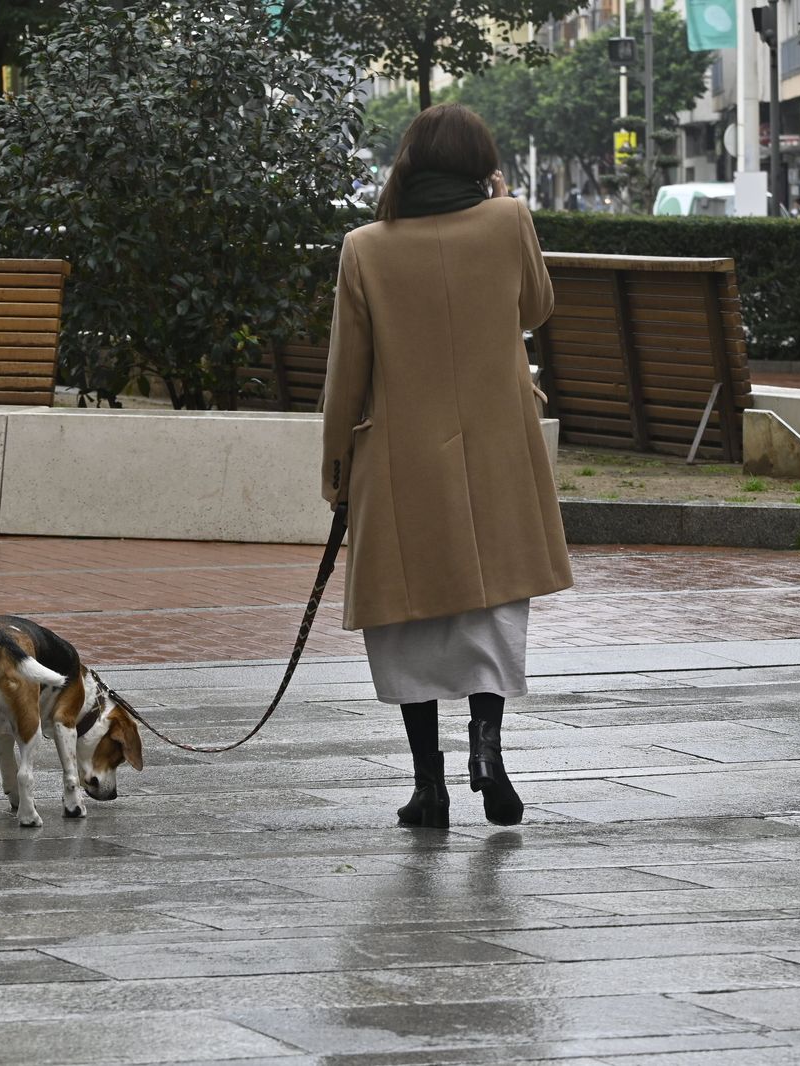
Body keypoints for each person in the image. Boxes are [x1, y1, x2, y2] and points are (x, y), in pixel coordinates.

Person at [320, 103, 573, 830]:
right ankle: (487, 747)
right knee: (492, 605)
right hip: (498, 451)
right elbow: (538, 305)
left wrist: (336, 466)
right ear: (479, 165)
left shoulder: (364, 247)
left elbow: (347, 374)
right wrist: (503, 202)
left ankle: (428, 788)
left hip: (402, 461)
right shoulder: (509, 220)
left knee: (408, 621)